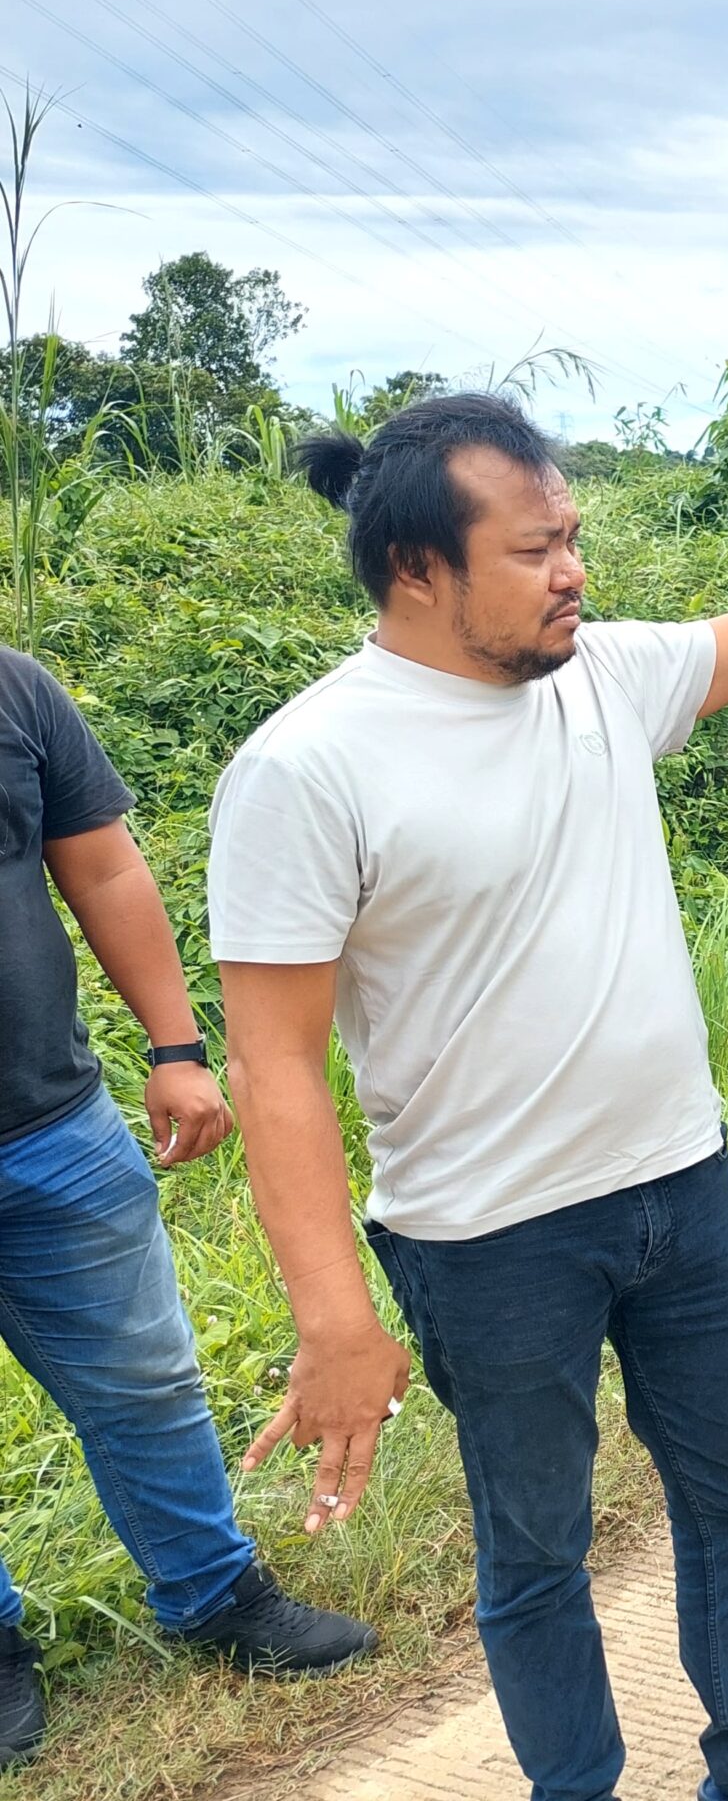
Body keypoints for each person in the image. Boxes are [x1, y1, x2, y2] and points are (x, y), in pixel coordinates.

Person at [210, 393, 728, 1801]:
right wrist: (331, 1314)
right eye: (536, 549)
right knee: (536, 1556)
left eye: (574, 541)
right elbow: (274, 1062)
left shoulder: (599, 677)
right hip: (489, 1239)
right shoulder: (307, 770)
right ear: (420, 568)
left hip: (676, 1184)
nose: (573, 574)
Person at [0, 648, 377, 1770]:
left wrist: (176, 1048)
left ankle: (215, 1596)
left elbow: (103, 869)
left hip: (50, 1126)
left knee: (146, 1381)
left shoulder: (15, 689)